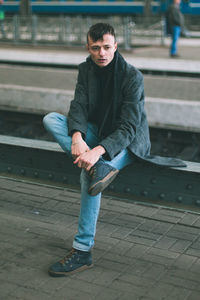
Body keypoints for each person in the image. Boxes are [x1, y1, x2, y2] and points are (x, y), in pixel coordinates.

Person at [43, 22, 186, 277]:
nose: (101, 53)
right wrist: (77, 136)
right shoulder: (86, 70)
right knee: (51, 119)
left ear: (116, 46)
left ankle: (83, 250)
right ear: (88, 47)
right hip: (97, 133)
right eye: (95, 48)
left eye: (107, 47)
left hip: (127, 143)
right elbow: (78, 106)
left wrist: (96, 151)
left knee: (87, 175)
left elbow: (129, 127)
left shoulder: (132, 76)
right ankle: (99, 168)